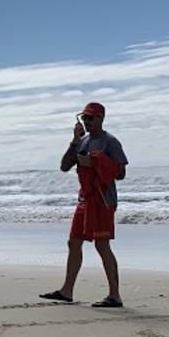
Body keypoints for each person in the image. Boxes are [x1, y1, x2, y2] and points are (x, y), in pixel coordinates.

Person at [41, 102, 129, 308]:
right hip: (85, 199)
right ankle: (66, 291)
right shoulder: (83, 141)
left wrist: (97, 162)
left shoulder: (110, 142)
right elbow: (64, 166)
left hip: (103, 200)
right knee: (73, 242)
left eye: (91, 118)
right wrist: (74, 142)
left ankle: (115, 295)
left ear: (101, 118)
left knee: (102, 245)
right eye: (84, 118)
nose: (87, 122)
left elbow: (121, 173)